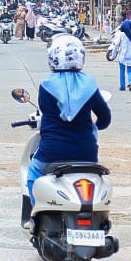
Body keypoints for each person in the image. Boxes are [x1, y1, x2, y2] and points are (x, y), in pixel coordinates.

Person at [23, 35, 111, 227]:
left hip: (51, 151)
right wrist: (93, 125)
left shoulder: (46, 86)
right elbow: (105, 118)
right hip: (87, 152)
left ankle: (34, 217)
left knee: (33, 175)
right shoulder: (90, 85)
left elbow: (46, 112)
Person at [114, 18, 131, 92]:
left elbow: (116, 44)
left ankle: (122, 86)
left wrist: (114, 54)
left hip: (122, 55)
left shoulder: (121, 34)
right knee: (130, 70)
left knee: (122, 71)